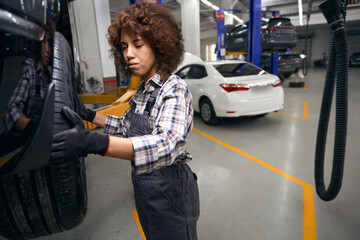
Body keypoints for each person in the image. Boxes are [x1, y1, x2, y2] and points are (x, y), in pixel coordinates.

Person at [51, 2, 200, 239]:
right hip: (144, 186)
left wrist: (93, 144)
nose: (128, 53)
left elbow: (168, 144)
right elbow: (125, 127)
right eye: (124, 46)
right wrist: (89, 115)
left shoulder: (174, 88)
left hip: (172, 190)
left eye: (137, 44)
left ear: (159, 45)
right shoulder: (142, 90)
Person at [0, 16, 54, 156]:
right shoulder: (31, 71)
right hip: (25, 148)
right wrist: (32, 126)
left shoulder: (49, 75)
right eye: (44, 43)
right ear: (36, 44)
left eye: (50, 43)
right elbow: (12, 110)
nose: (48, 50)